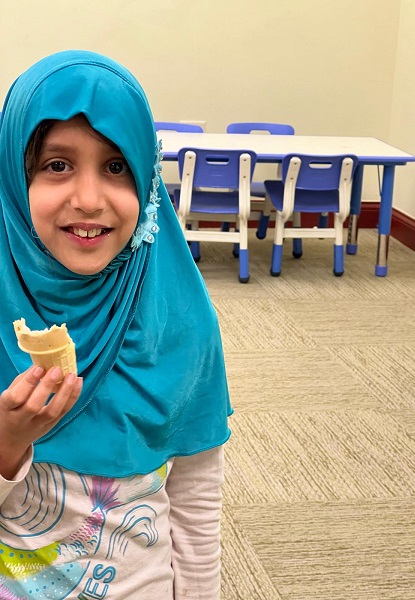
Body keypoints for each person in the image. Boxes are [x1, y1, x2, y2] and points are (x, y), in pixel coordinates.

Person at [0, 50, 231, 599]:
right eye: (57, 165)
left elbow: (196, 502)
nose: (88, 200)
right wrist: (7, 444)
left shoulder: (180, 322)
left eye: (116, 166)